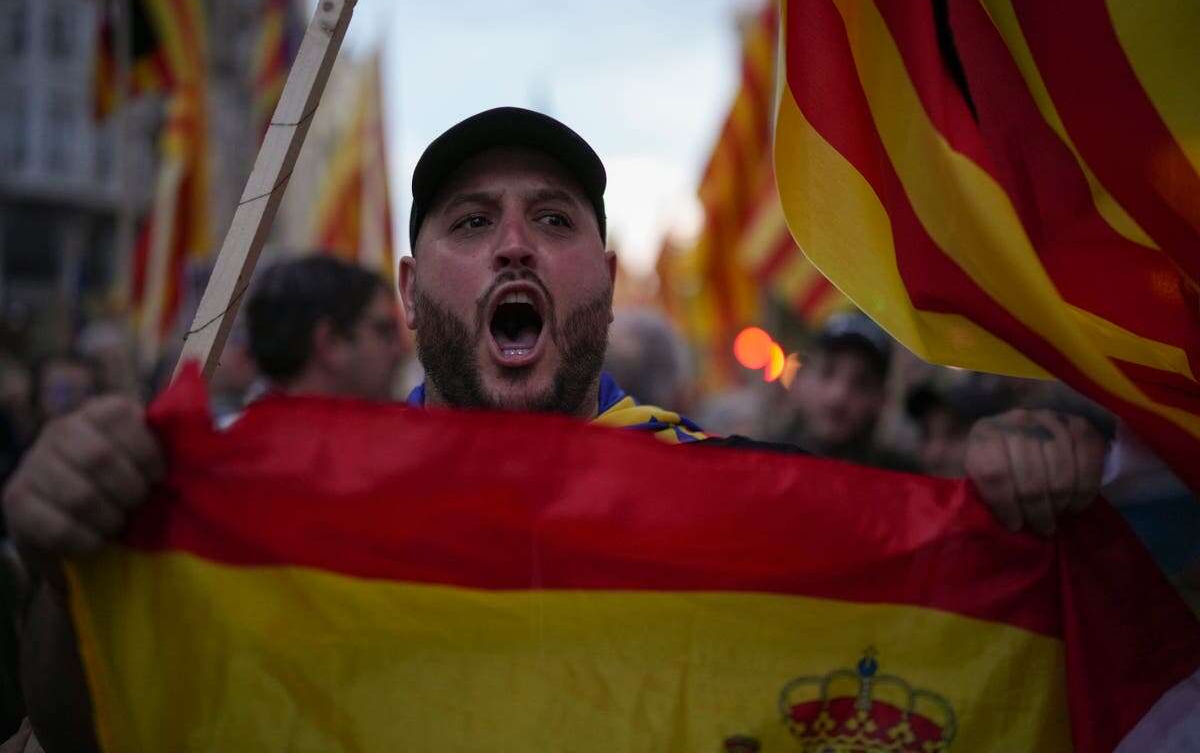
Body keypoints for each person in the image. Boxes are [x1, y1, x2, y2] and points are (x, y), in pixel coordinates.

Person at [1, 108, 1107, 751]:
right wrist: (68, 561)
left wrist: (1018, 517)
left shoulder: (756, 505)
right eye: (473, 222)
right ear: (409, 285)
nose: (514, 246)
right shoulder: (289, 517)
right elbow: (90, 726)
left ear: (607, 280)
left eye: (554, 220)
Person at [245, 254, 403, 403]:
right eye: (384, 331)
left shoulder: (235, 429)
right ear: (331, 341)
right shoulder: (404, 431)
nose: (399, 350)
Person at [774, 313, 917, 471]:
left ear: (881, 399)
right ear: (800, 379)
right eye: (827, 372)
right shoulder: (763, 463)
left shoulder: (901, 482)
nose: (839, 395)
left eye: (861, 383)